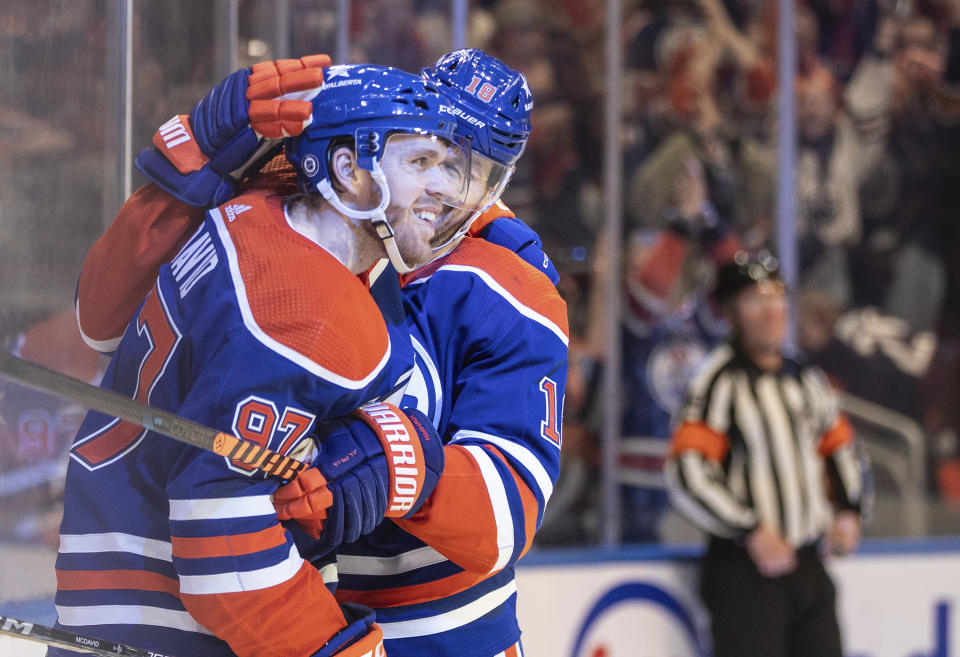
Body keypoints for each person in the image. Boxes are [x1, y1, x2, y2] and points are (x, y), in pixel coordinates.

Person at [74, 50, 567, 657]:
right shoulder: (295, 203)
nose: (449, 188)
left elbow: (510, 509)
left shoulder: (512, 285)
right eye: (437, 152)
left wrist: (399, 466)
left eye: (479, 171)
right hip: (279, 611)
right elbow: (104, 325)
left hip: (436, 631)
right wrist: (192, 170)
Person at [664, 252, 865, 657]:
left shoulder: (806, 378)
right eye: (755, 300)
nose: (771, 310)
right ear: (733, 313)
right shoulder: (717, 380)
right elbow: (687, 473)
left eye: (776, 297)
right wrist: (750, 529)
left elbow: (840, 448)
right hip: (745, 573)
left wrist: (849, 510)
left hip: (808, 566)